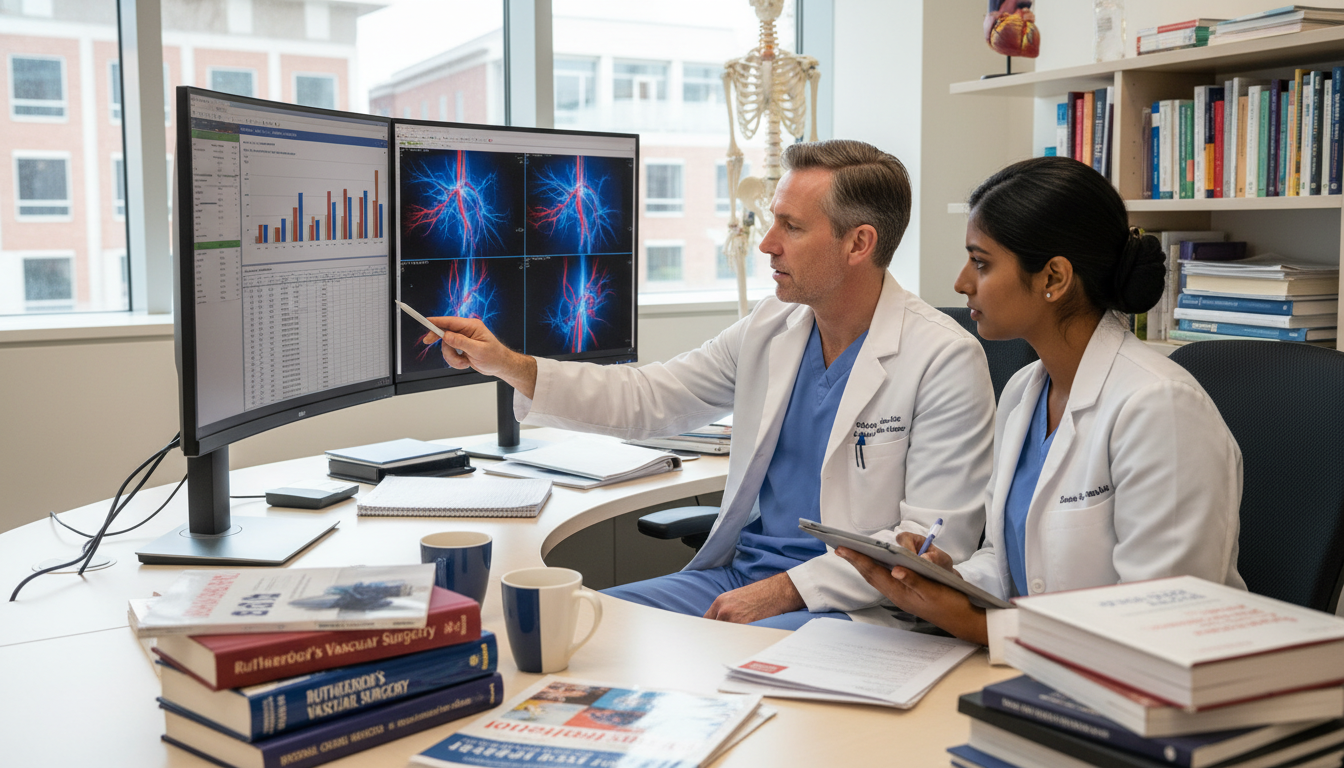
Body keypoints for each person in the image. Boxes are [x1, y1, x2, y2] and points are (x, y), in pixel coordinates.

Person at [426, 139, 996, 630]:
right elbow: (653, 397)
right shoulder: (772, 327)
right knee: (577, 625)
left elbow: (930, 543)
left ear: (859, 244)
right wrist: (509, 364)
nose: (767, 242)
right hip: (739, 577)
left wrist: (784, 592)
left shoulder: (943, 357)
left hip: (853, 609)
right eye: (773, 220)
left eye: (791, 227)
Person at [837, 156, 1246, 646]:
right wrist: (951, 580)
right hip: (1038, 668)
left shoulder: (1160, 407)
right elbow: (1014, 563)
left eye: (981, 262)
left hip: (1147, 695)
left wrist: (977, 625)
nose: (961, 282)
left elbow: (1159, 622)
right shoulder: (1025, 392)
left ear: (1053, 278)